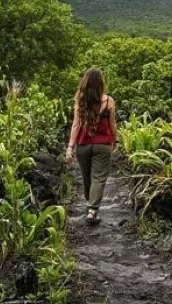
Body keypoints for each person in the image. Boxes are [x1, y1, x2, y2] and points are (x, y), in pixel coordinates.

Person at [66, 67, 117, 225]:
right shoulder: (108, 101)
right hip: (102, 146)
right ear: (101, 83)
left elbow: (76, 125)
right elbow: (112, 124)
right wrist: (115, 141)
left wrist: (70, 147)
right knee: (98, 178)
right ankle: (92, 210)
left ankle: (91, 208)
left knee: (87, 178)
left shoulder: (80, 100)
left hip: (83, 146)